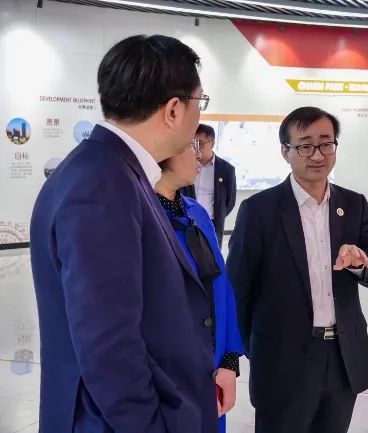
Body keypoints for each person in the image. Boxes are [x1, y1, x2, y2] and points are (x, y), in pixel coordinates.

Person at [30, 35, 218, 433]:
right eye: (199, 102)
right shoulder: (102, 183)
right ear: (173, 109)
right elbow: (108, 343)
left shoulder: (111, 171)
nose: (198, 115)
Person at [227, 106, 368, 433]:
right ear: (285, 152)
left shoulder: (354, 205)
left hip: (342, 358)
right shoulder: (259, 210)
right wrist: (252, 349)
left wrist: (361, 264)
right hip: (282, 360)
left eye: (326, 143)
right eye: (305, 146)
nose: (317, 154)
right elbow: (238, 288)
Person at [155, 139, 244, 433]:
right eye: (191, 145)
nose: (199, 153)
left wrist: (229, 361)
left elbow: (223, 288)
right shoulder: (140, 216)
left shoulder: (196, 213)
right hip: (167, 377)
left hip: (211, 368)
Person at [181, 124, 236, 247]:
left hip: (212, 223)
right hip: (188, 221)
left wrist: (218, 215)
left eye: (200, 143)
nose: (196, 148)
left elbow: (230, 201)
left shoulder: (226, 169)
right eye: (193, 143)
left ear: (212, 143)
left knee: (211, 255)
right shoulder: (186, 166)